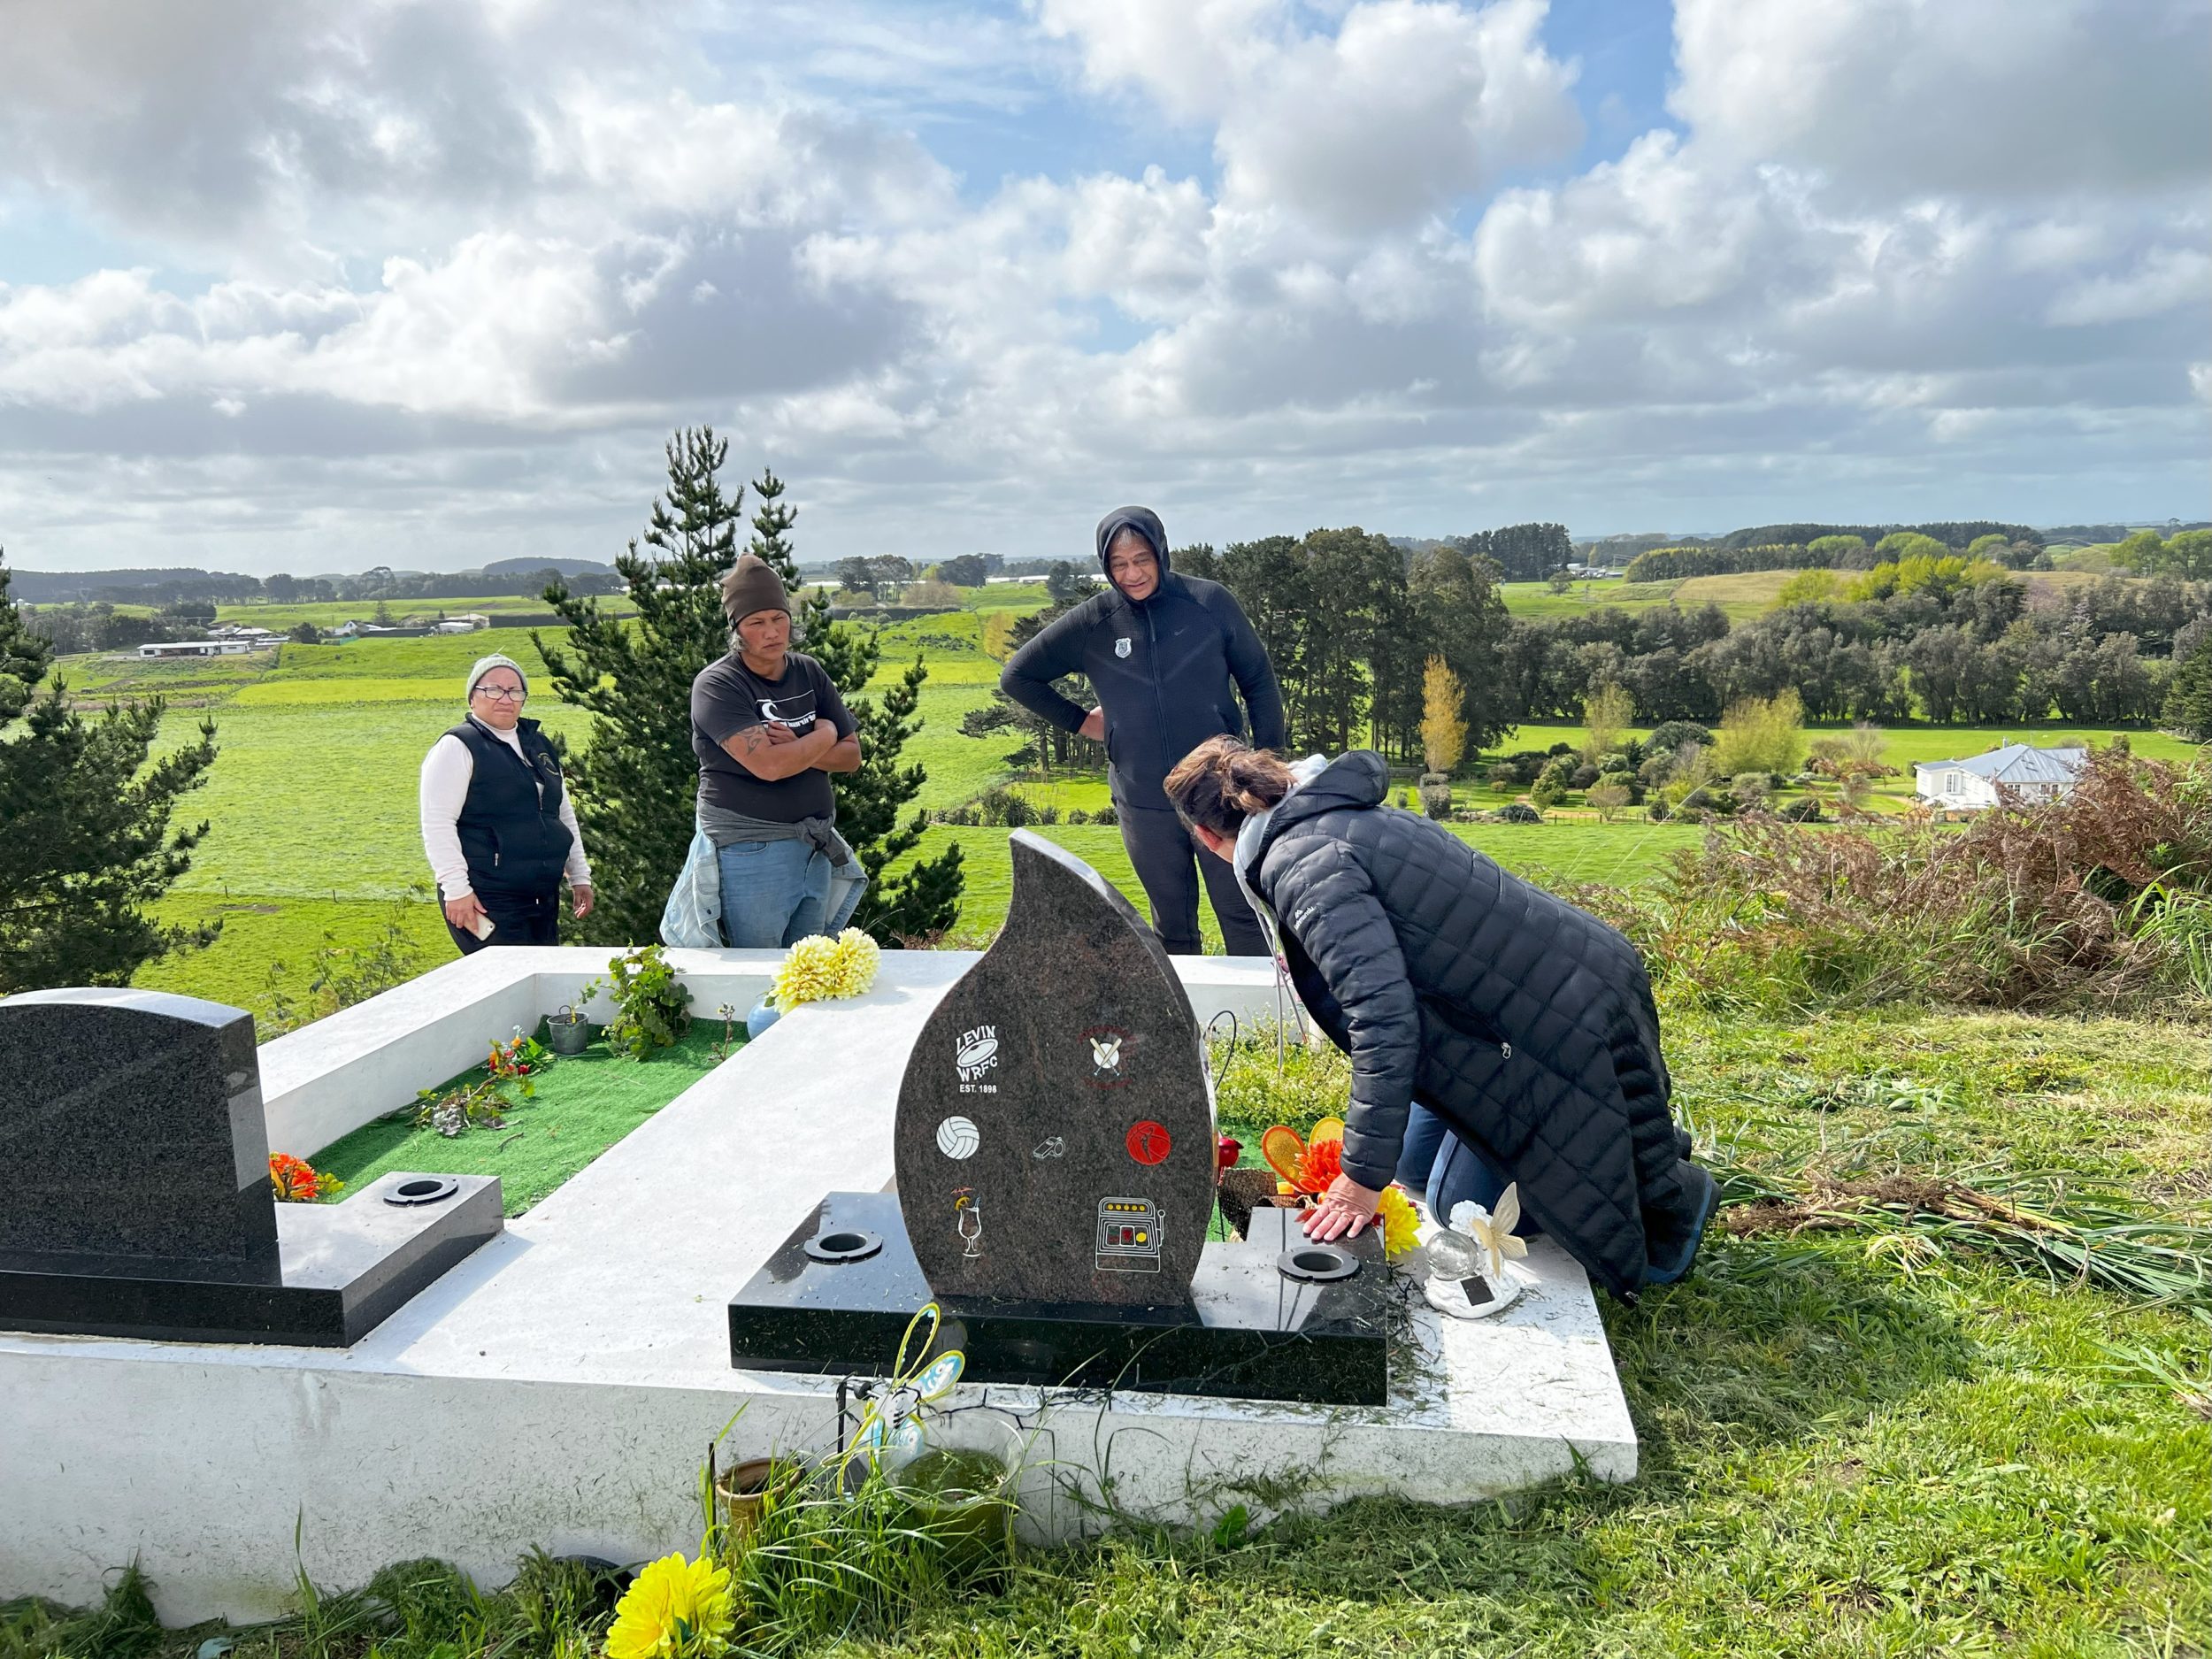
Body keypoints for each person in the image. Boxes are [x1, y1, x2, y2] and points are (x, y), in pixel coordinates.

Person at [1163, 736, 1717, 1301]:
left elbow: (1383, 1022)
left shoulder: (1300, 865)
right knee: (1410, 1165)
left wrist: (1358, 1183)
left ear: (1207, 838)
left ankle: (1675, 1196)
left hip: (1553, 1022)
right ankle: (1617, 1140)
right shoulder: (1329, 814)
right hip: (1554, 988)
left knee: (1460, 1206)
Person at [1000, 505, 1285, 956]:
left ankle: (1259, 1026)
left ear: (1161, 553)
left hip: (1222, 795)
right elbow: (1017, 677)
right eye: (1118, 563)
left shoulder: (1208, 603)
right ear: (1106, 566)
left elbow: (1259, 682)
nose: (1132, 573)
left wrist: (1268, 765)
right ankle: (1185, 1026)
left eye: (1141, 559)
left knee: (1245, 918)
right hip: (1142, 801)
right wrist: (1082, 722)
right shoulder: (1095, 621)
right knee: (1171, 928)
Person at [690, 554, 864, 947]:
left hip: (814, 845)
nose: (772, 631)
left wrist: (798, 748)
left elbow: (851, 757)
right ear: (737, 630)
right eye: (756, 623)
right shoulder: (719, 685)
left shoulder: (808, 671)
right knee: (758, 971)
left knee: (809, 968)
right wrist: (824, 734)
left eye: (779, 618)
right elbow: (769, 767)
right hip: (751, 850)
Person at [419, 653, 593, 954]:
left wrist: (580, 876)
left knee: (541, 979)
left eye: (515, 690)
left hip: (541, 895)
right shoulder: (458, 747)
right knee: (503, 983)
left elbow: (562, 813)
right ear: (472, 697)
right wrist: (457, 891)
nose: (505, 698)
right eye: (493, 689)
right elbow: (438, 824)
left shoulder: (538, 746)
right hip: (487, 895)